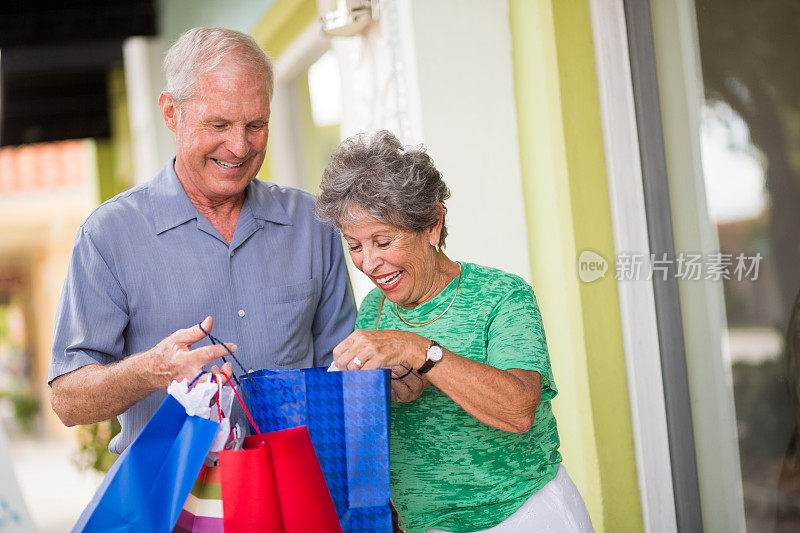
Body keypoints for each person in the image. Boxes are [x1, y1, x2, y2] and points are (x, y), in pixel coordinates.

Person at [48, 27, 356, 454]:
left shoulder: (313, 223)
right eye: (218, 124)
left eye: (256, 124)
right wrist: (149, 371)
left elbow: (344, 374)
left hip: (294, 501)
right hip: (176, 508)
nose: (239, 145)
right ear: (171, 113)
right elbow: (67, 401)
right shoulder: (108, 236)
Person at [316, 130, 594, 533]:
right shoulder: (375, 310)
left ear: (432, 224)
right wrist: (386, 391)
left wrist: (419, 351)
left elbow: (519, 410)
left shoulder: (502, 295)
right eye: (355, 245)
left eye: (384, 241)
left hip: (524, 514)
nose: (369, 263)